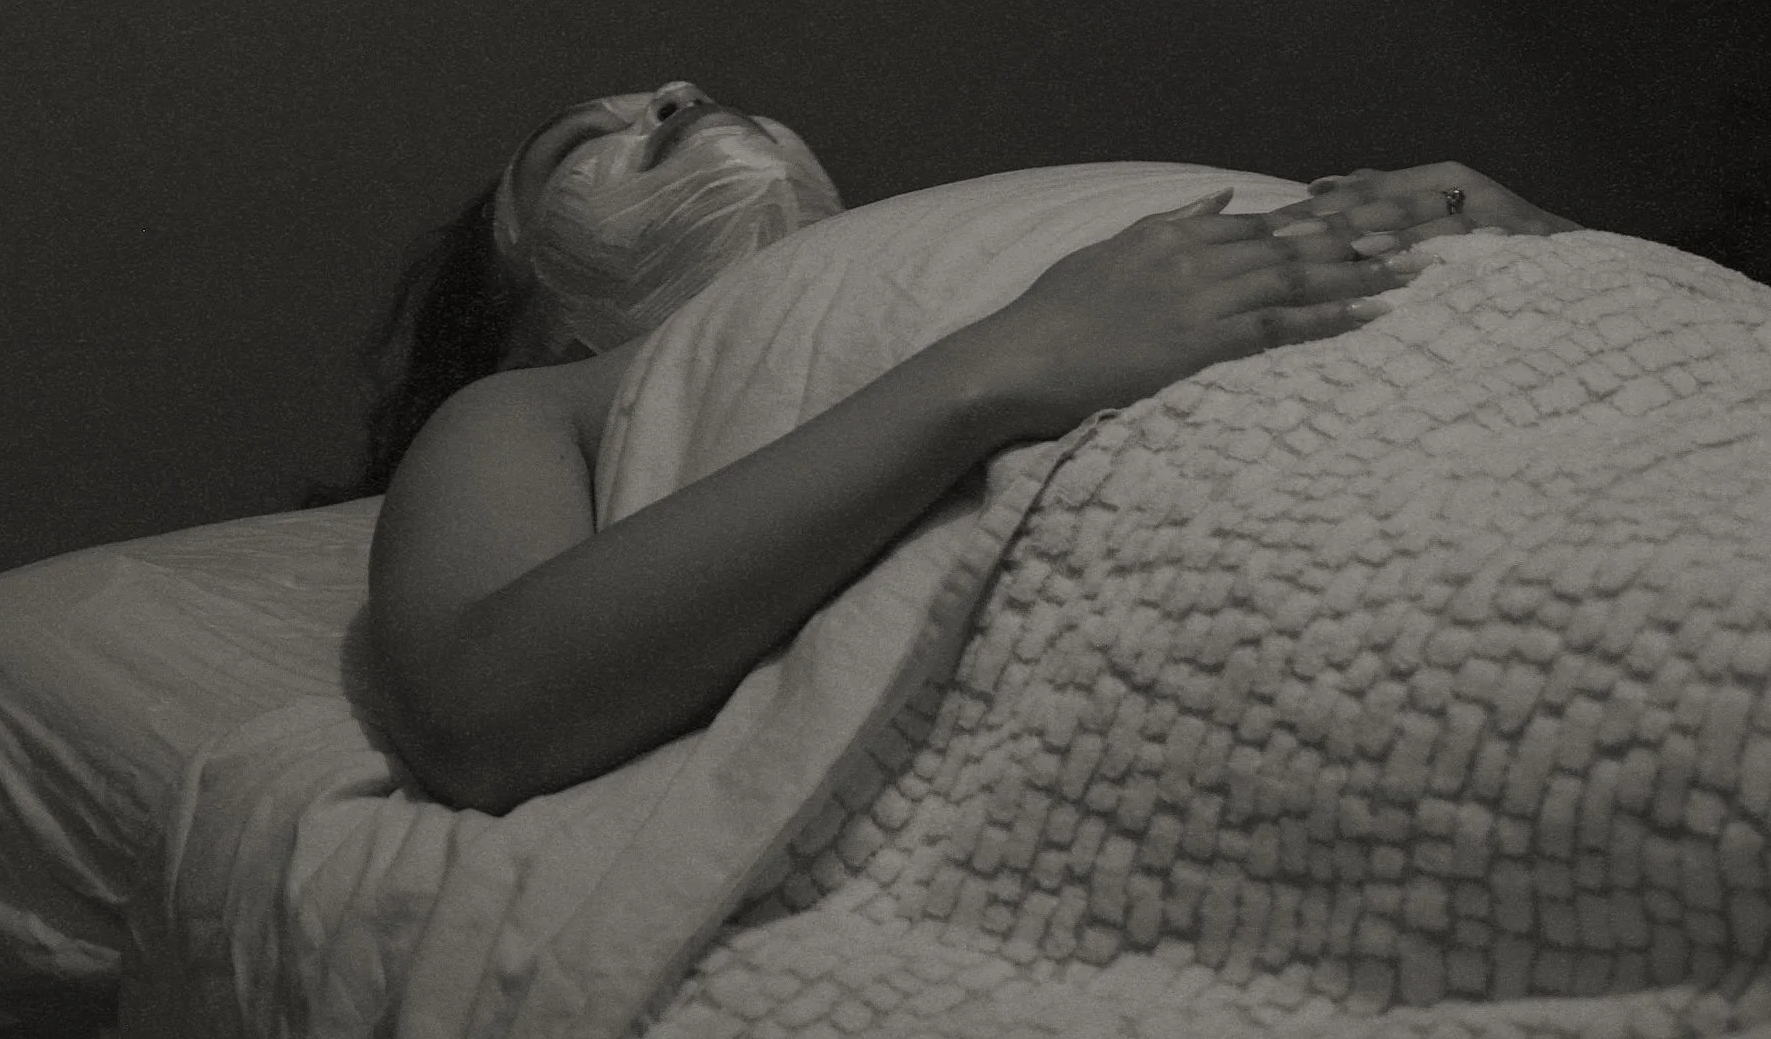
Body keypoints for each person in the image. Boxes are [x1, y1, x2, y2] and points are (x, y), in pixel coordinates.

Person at [361, 81, 1575, 814]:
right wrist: (1002, 363)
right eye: (587, 145)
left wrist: (1545, 240)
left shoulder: (936, 250)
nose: (674, 96)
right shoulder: (530, 405)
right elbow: (480, 709)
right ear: (526, 314)